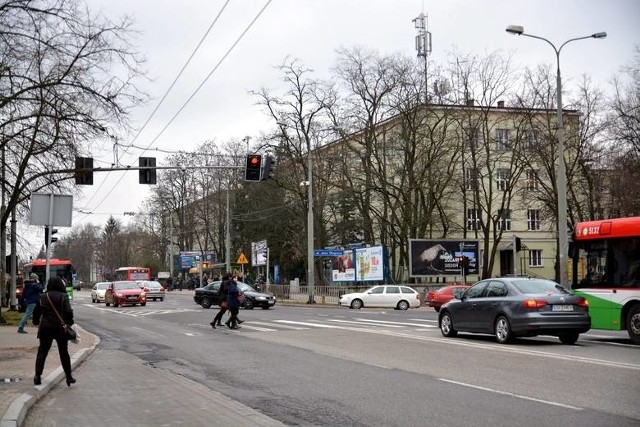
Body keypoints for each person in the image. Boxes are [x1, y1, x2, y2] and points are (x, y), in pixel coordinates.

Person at [32, 276, 76, 386]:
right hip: (60, 328)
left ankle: (37, 376)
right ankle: (69, 376)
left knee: (42, 352)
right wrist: (69, 323)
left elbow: (36, 312)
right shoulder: (63, 296)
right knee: (64, 352)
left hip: (45, 328)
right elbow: (68, 312)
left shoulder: (43, 297)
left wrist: (36, 322)